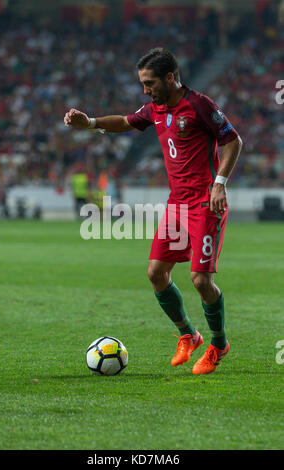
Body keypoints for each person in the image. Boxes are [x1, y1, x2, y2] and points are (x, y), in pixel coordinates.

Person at [64, 48, 242, 375]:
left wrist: (219, 183)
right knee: (156, 273)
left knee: (201, 280)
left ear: (170, 78)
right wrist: (88, 123)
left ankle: (219, 343)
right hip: (177, 204)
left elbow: (233, 140)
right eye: (143, 83)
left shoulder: (200, 105)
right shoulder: (154, 109)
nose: (145, 89)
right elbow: (125, 122)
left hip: (205, 203)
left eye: (150, 83)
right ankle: (188, 334)